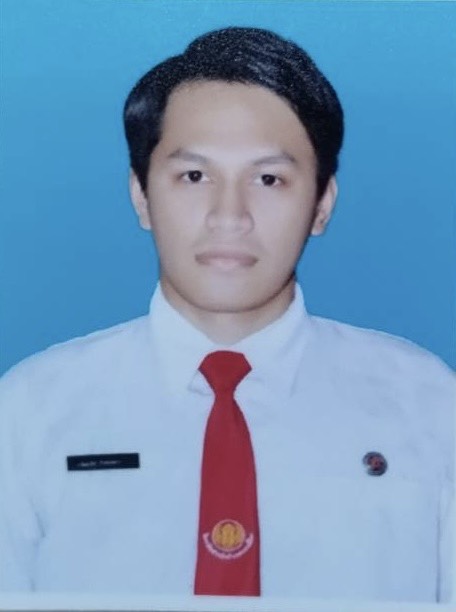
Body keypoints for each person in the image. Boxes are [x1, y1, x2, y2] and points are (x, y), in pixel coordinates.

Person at [0, 26, 454, 602]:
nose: (229, 215)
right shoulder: (28, 411)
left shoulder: (430, 403)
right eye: (194, 176)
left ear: (322, 204)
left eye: (269, 179)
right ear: (141, 196)